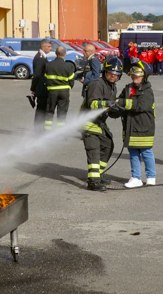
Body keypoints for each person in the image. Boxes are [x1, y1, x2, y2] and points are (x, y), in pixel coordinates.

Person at [82, 57, 124, 192]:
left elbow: (110, 111)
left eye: (116, 75)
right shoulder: (97, 84)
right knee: (94, 150)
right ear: (105, 72)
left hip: (100, 123)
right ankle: (93, 181)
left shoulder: (113, 88)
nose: (113, 76)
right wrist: (107, 104)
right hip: (88, 123)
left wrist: (119, 112)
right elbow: (93, 104)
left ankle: (98, 175)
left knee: (108, 145)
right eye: (110, 73)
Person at [119, 61, 156, 188]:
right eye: (133, 76)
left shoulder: (147, 90)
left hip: (144, 126)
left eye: (138, 76)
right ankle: (136, 177)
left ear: (144, 76)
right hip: (130, 125)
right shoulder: (128, 88)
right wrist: (113, 107)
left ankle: (151, 176)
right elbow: (120, 102)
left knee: (146, 152)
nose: (135, 78)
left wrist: (123, 103)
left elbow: (141, 106)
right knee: (133, 153)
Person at [44, 46, 76, 130]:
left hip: (52, 92)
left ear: (56, 54)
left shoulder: (49, 65)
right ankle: (60, 133)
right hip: (64, 92)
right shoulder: (68, 66)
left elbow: (46, 78)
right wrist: (68, 87)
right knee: (62, 113)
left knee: (49, 111)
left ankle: (47, 131)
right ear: (64, 54)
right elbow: (71, 80)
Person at [30, 40, 53, 128]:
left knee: (42, 108)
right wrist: (33, 88)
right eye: (49, 46)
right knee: (41, 109)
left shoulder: (43, 56)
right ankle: (38, 129)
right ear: (43, 47)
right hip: (41, 87)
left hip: (42, 86)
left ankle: (39, 128)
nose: (50, 48)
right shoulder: (40, 58)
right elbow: (37, 75)